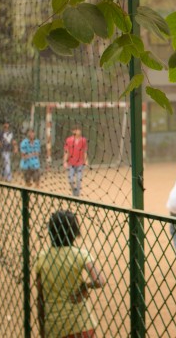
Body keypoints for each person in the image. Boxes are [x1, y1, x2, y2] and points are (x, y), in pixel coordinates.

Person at [35, 210, 105, 338]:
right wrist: (85, 286)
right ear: (74, 233)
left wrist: (42, 328)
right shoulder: (81, 255)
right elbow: (99, 280)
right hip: (81, 323)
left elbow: (40, 298)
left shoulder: (42, 258)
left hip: (54, 326)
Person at [63, 126, 87, 197]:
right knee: (70, 180)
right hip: (71, 163)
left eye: (79, 129)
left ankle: (77, 195)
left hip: (80, 163)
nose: (78, 131)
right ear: (73, 131)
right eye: (77, 130)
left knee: (79, 180)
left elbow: (85, 151)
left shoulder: (83, 140)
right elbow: (66, 152)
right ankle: (74, 191)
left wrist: (85, 160)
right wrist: (65, 161)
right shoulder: (69, 140)